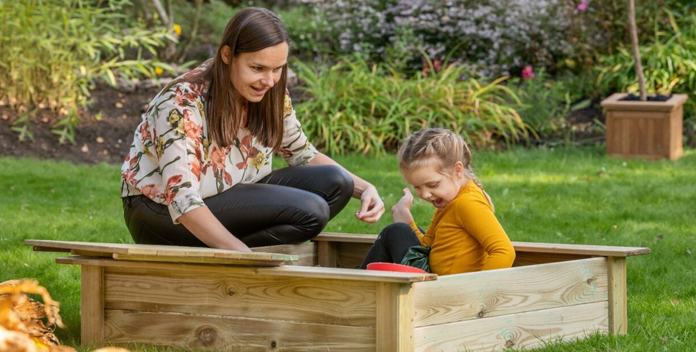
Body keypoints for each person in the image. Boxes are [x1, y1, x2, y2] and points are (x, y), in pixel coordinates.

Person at [120, 7, 385, 252]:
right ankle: (240, 259)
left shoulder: (269, 91)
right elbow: (183, 200)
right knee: (310, 210)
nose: (269, 81)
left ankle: (235, 254)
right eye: (257, 68)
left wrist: (365, 189)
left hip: (226, 194)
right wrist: (243, 256)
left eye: (277, 69)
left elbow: (302, 153)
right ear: (227, 55)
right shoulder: (182, 104)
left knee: (337, 183)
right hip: (160, 215)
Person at [360, 128, 515, 275]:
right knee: (401, 230)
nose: (425, 194)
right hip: (436, 281)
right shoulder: (450, 202)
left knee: (395, 232)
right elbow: (427, 247)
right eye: (417, 187)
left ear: (458, 171)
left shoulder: (468, 203)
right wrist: (405, 217)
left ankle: (356, 286)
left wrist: (476, 292)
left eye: (432, 185)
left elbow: (504, 251)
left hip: (446, 292)